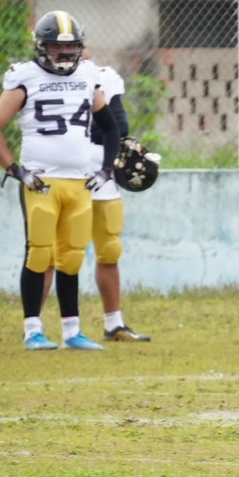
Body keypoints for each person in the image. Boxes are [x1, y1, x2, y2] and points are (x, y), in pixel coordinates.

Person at [0, 10, 119, 351]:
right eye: (57, 48)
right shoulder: (25, 76)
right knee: (39, 254)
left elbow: (111, 126)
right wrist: (16, 169)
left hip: (79, 180)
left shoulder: (88, 74)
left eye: (70, 48)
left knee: (71, 255)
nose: (64, 55)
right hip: (40, 180)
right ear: (42, 48)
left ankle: (72, 330)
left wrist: (105, 170)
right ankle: (32, 330)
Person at [80, 59, 150, 342]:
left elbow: (119, 125)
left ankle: (114, 324)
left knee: (109, 249)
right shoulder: (36, 76)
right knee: (55, 253)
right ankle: (37, 327)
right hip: (67, 171)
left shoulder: (104, 75)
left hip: (103, 171)